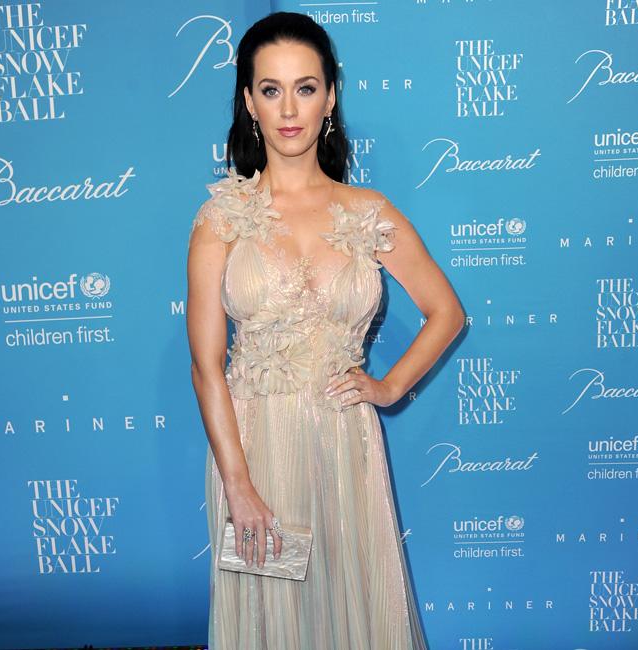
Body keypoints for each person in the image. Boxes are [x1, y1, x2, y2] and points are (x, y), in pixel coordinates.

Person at [186, 10, 464, 649]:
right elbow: (206, 367)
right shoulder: (221, 218)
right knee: (270, 620)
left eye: (305, 88)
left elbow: (447, 312)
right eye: (271, 89)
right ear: (249, 101)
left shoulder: (368, 211)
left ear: (330, 97)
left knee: (352, 614)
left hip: (344, 445)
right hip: (254, 451)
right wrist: (238, 486)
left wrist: (389, 387)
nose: (289, 109)